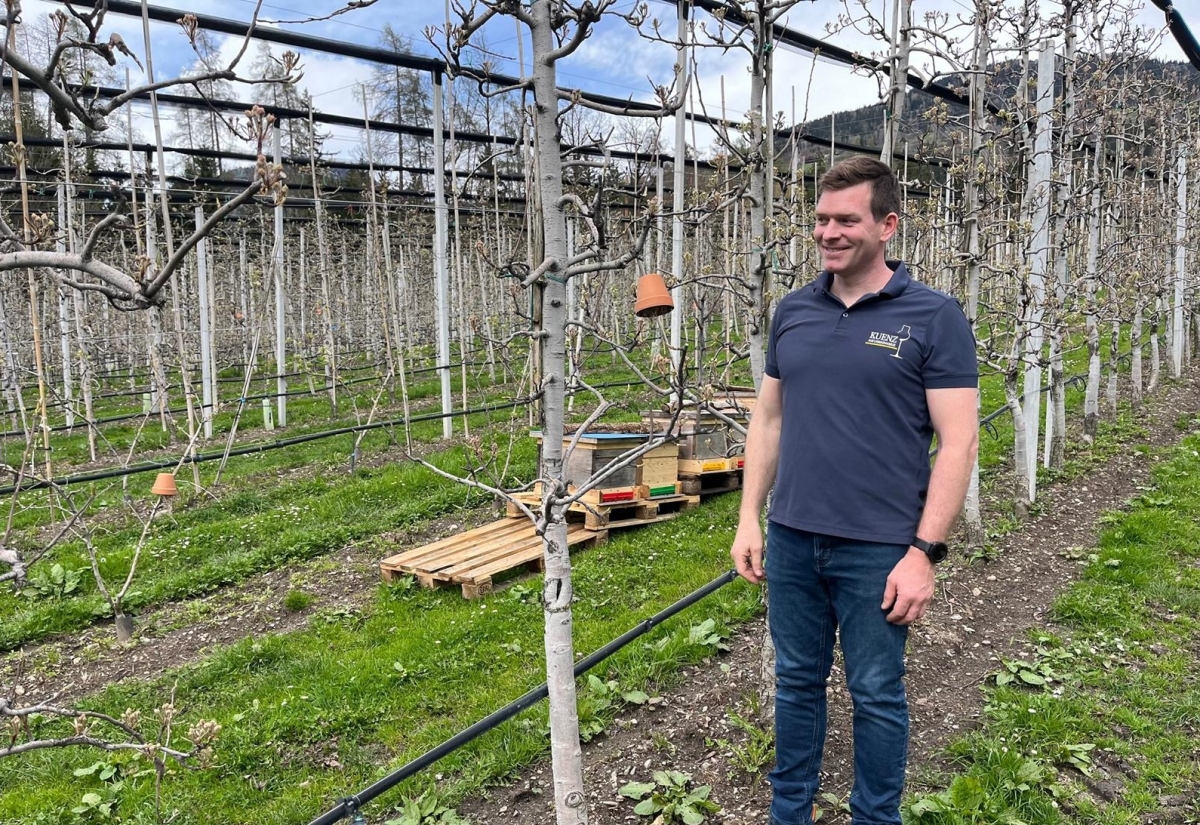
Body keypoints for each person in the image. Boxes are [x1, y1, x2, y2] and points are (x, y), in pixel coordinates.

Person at [730, 156, 979, 825]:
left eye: (846, 219)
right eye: (821, 219)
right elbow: (770, 418)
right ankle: (790, 813)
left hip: (879, 547)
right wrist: (750, 517)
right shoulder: (794, 310)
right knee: (796, 685)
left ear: (887, 225)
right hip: (793, 538)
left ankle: (875, 817)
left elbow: (959, 442)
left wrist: (924, 552)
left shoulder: (933, 316)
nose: (828, 233)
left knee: (875, 692)